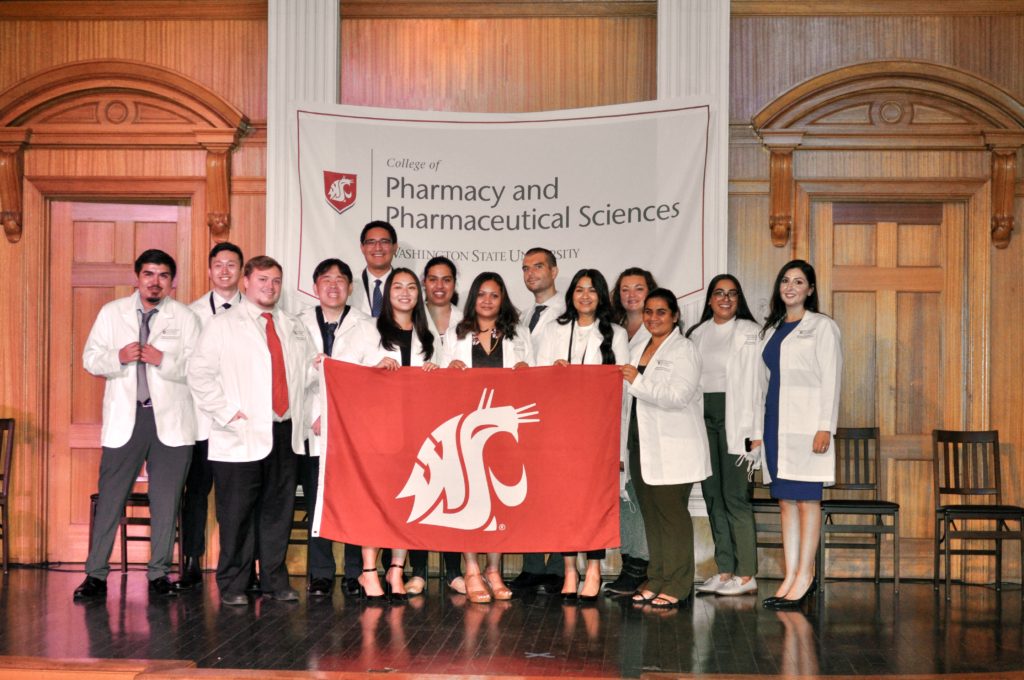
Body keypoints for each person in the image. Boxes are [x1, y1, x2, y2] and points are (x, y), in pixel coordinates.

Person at [188, 256, 318, 605]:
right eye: (262, 279)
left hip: (284, 432)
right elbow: (199, 373)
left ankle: (275, 580)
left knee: (279, 512)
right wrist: (227, 414)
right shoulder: (223, 324)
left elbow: (300, 379)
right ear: (246, 282)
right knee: (237, 514)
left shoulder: (292, 325)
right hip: (240, 432)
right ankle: (233, 583)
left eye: (276, 281)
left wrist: (316, 370)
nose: (269, 287)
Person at [75, 250, 201, 599]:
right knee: (112, 499)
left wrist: (165, 360)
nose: (155, 281)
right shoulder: (111, 313)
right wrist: (118, 357)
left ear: (172, 281)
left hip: (170, 423)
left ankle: (159, 573)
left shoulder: (185, 317)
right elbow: (90, 358)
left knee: (166, 501)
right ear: (137, 277)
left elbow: (200, 368)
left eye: (163, 275)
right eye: (148, 274)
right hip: (126, 418)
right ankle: (95, 575)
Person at [335, 268, 440, 602]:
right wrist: (373, 372)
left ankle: (396, 569)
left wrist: (436, 372)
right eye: (398, 286)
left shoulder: (427, 335)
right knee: (375, 502)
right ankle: (368, 572)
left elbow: (441, 384)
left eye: (412, 287)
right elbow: (341, 371)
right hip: (376, 433)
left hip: (417, 432)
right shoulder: (367, 330)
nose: (405, 292)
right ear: (388, 293)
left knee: (408, 501)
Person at [751, 260, 842, 609]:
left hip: (808, 427)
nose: (790, 286)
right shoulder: (771, 329)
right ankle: (790, 576)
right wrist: (757, 431)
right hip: (776, 426)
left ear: (810, 289)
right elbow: (763, 383)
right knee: (786, 502)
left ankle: (806, 576)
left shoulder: (822, 327)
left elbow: (831, 378)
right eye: (785, 280)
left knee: (808, 501)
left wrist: (825, 427)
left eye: (799, 281)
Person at [439, 272, 534, 603]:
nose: (488, 300)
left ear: (502, 299)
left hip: (503, 428)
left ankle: (494, 570)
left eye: (494, 295)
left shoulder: (518, 333)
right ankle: (472, 570)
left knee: (498, 498)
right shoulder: (457, 333)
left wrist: (526, 369)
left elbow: (535, 374)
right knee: (470, 497)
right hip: (466, 427)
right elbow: (436, 375)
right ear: (473, 299)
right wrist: (448, 369)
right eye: (481, 294)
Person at [535, 269, 629, 600]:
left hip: (597, 434)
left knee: (594, 504)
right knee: (566, 504)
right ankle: (570, 572)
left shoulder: (616, 333)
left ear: (601, 296)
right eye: (579, 290)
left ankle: (594, 570)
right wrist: (554, 374)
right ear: (571, 295)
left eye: (591, 290)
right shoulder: (553, 330)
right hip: (561, 432)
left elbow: (621, 385)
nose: (585, 295)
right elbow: (537, 378)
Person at [620, 289, 711, 609]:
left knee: (672, 517)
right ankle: (657, 576)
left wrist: (638, 381)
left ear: (674, 316)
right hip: (641, 446)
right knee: (652, 517)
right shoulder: (639, 347)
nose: (653, 318)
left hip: (674, 448)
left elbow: (679, 396)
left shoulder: (685, 349)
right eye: (648, 312)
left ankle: (679, 582)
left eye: (661, 312)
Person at [298, 258, 373, 597]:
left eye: (341, 279)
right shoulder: (296, 324)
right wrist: (316, 373)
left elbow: (371, 380)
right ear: (315, 287)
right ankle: (321, 572)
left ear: (351, 288)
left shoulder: (367, 325)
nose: (333, 285)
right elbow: (292, 376)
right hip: (310, 426)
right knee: (318, 501)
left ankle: (356, 572)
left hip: (351, 429)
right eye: (326, 279)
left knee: (355, 501)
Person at [175, 242, 245, 592]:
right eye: (218, 265)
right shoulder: (191, 313)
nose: (224, 271)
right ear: (208, 270)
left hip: (242, 420)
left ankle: (246, 564)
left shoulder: (255, 310)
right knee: (196, 493)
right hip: (202, 420)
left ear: (241, 272)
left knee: (240, 498)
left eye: (231, 265)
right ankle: (191, 560)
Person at [687, 275, 762, 597]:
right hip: (703, 419)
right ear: (709, 300)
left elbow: (761, 384)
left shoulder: (752, 332)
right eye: (719, 293)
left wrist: (757, 432)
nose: (726, 298)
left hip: (738, 421)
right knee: (712, 497)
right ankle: (725, 569)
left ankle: (747, 574)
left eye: (732, 294)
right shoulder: (696, 334)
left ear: (739, 298)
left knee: (735, 497)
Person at [406, 256, 466, 596]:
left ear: (455, 284)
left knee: (454, 495)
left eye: (446, 279)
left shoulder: (468, 321)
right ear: (424, 283)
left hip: (456, 418)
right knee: (423, 492)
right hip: (419, 417)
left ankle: (454, 571)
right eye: (432, 279)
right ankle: (417, 570)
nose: (439, 286)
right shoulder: (409, 317)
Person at [510, 247, 567, 593]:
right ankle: (532, 566)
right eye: (526, 268)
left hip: (557, 416)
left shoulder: (568, 313)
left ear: (555, 271)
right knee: (528, 492)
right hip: (528, 416)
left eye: (538, 267)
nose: (531, 273)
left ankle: (559, 566)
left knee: (559, 493)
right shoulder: (524, 315)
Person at [605, 267, 658, 595]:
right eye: (625, 289)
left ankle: (641, 564)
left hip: (647, 422)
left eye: (639, 288)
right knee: (622, 493)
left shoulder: (659, 330)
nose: (632, 295)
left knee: (639, 494)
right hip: (616, 420)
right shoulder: (612, 330)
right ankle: (630, 562)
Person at [350, 221, 398, 318]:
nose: (378, 248)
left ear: (394, 247)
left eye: (384, 242)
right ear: (362, 248)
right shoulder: (349, 286)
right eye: (371, 242)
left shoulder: (411, 287)